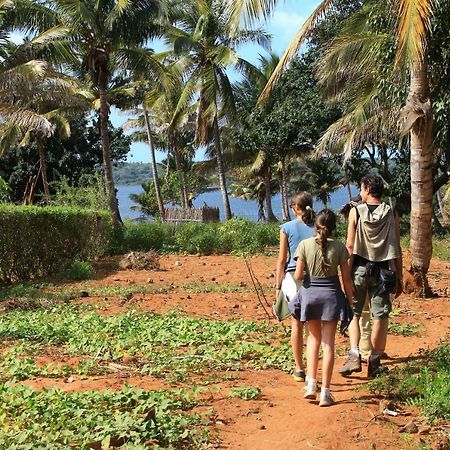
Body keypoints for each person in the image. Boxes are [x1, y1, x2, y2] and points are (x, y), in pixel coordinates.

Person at [339, 175, 402, 378]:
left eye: (361, 188)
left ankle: (355, 354)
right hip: (384, 271)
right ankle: (374, 360)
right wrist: (399, 275)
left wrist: (346, 276)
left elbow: (350, 246)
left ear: (367, 189)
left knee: (354, 313)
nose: (360, 191)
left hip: (358, 268)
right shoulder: (391, 213)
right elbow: (397, 247)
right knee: (380, 316)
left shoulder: (355, 212)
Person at [292, 209, 353, 407]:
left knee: (313, 339)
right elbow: (346, 278)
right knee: (328, 344)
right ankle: (326, 392)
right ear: (334, 227)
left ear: (315, 226)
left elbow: (298, 276)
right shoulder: (340, 247)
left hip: (311, 296)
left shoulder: (304, 245)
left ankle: (311, 384)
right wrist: (349, 301)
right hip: (332, 297)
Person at [275, 192, 316, 382]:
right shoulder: (319, 227)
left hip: (292, 277)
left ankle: (299, 368)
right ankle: (313, 369)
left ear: (295, 208)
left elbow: (282, 259)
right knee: (314, 326)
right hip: (315, 277)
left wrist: (278, 285)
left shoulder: (286, 228)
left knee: (296, 323)